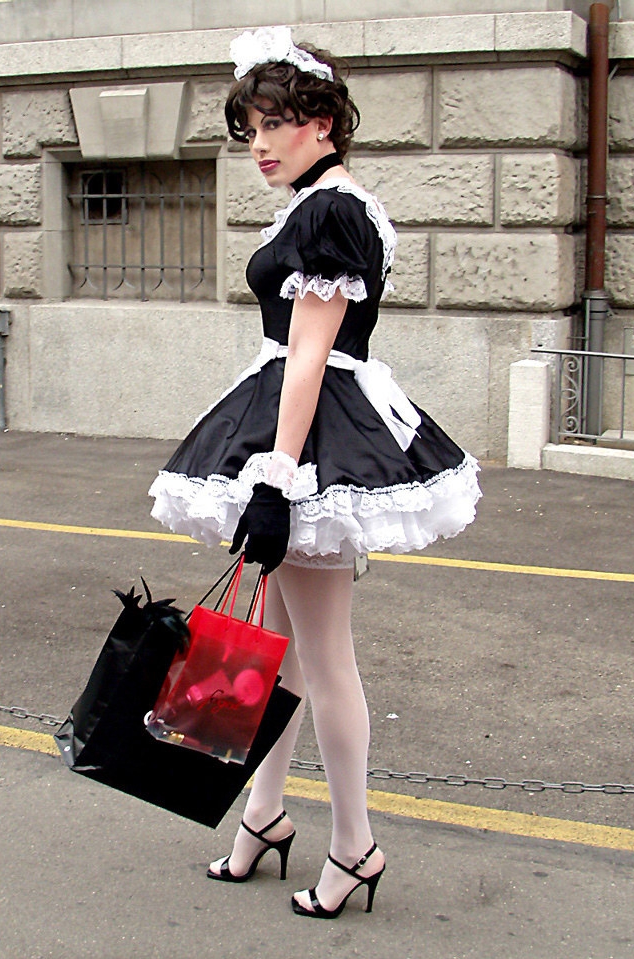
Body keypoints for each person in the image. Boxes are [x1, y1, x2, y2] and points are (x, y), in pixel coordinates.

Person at [149, 25, 481, 919]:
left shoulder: (332, 209)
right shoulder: (314, 205)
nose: (257, 142)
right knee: (288, 656)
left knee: (325, 662)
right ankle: (262, 816)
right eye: (248, 125)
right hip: (304, 425)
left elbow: (309, 352)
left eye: (275, 123)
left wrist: (277, 477)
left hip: (315, 433)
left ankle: (354, 847)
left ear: (325, 123)